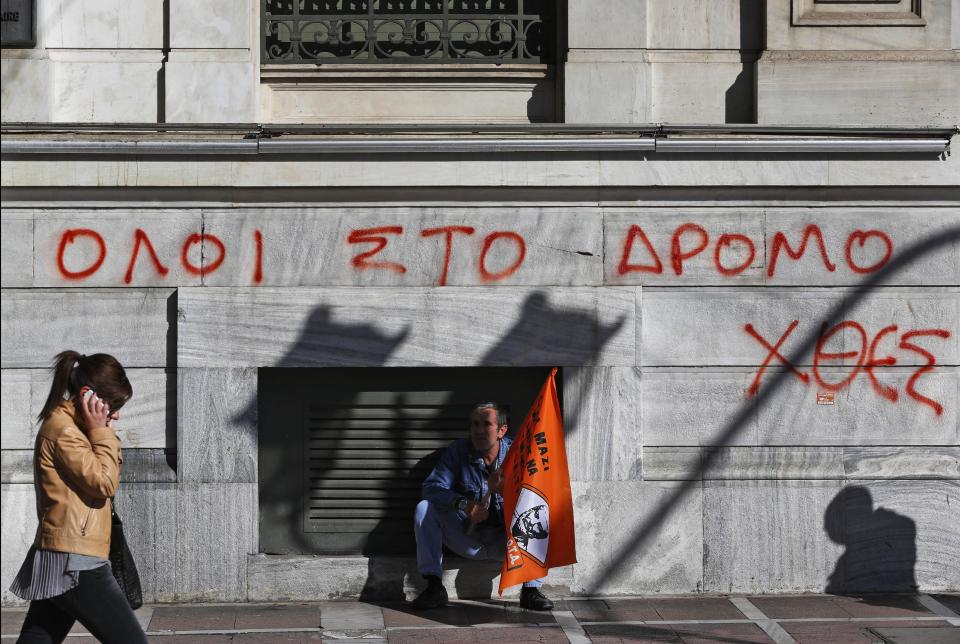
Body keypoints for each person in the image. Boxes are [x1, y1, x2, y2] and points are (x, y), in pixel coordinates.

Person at [11, 351, 147, 644]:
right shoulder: (65, 432)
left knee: (38, 639)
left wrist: (97, 432)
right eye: (114, 404)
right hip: (76, 561)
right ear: (88, 395)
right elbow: (104, 482)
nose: (117, 413)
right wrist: (102, 433)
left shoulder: (72, 428)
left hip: (67, 553)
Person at [412, 402, 554, 611]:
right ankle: (434, 587)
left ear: (501, 430)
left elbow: (540, 496)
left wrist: (507, 491)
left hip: (507, 544)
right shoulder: (458, 451)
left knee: (542, 509)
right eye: (475, 424)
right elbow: (431, 487)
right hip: (468, 538)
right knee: (424, 508)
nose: (479, 431)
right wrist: (463, 504)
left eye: (486, 424)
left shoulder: (521, 454)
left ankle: (531, 589)